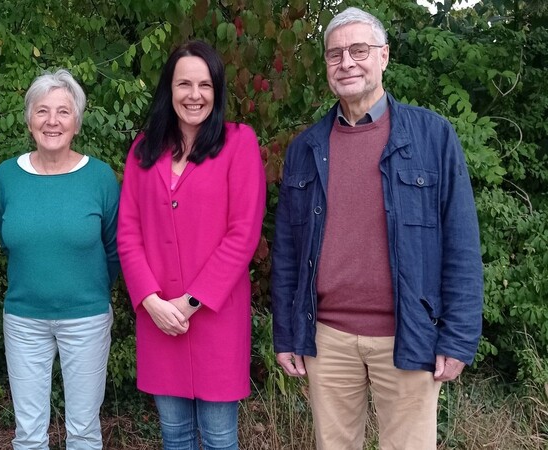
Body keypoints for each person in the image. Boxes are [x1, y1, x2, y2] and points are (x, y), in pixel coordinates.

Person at [271, 6, 484, 449]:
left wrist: (459, 337)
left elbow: (461, 243)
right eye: (335, 54)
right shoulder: (306, 148)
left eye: (359, 50)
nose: (346, 62)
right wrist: (287, 333)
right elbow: (288, 252)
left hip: (409, 334)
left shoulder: (433, 137)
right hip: (327, 337)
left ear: (384, 57)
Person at [118, 40, 266, 450]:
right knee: (174, 437)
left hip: (214, 320)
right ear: (169, 89)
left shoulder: (239, 143)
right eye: (184, 84)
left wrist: (189, 303)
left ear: (216, 92)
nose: (194, 95)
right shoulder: (144, 150)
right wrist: (151, 301)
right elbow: (128, 233)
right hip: (159, 317)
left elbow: (243, 234)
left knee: (219, 439)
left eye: (205, 85)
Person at [0, 69, 120, 450]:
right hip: (24, 319)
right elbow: (8, 237)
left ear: (77, 122)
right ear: (29, 119)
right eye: (42, 111)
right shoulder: (7, 176)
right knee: (28, 434)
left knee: (83, 430)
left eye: (63, 112)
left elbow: (114, 248)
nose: (52, 121)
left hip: (86, 318)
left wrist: (86, 290)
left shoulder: (99, 177)